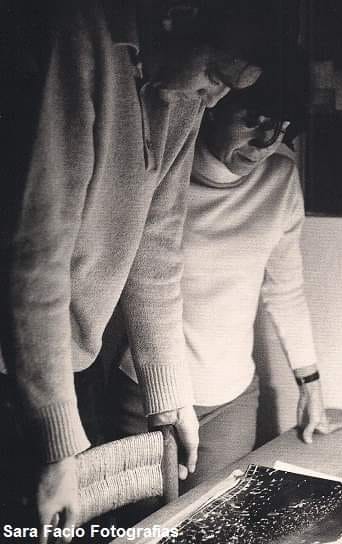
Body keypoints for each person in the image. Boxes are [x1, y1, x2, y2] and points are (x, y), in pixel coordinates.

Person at [0, 0, 277, 537]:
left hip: (72, 357)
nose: (215, 98)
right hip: (17, 357)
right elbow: (37, 257)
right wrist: (56, 444)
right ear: (180, 16)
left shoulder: (183, 96)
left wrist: (169, 393)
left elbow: (157, 248)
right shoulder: (79, 37)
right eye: (216, 75)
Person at [118, 60, 342, 490]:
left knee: (219, 517)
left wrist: (310, 386)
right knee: (145, 522)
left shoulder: (280, 179)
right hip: (147, 394)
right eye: (252, 122)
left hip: (233, 399)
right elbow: (144, 286)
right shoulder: (159, 172)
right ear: (213, 105)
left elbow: (286, 291)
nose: (263, 144)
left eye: (279, 128)